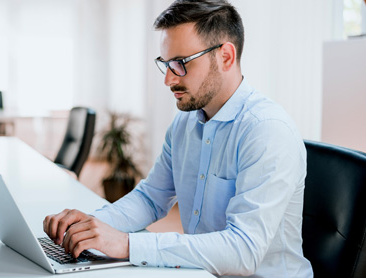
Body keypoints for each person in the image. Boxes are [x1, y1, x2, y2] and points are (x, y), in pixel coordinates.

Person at [43, 0, 313, 277]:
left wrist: (127, 244)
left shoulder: (266, 131)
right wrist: (89, 226)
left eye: (180, 64)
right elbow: (151, 198)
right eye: (166, 64)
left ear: (226, 57)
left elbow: (242, 251)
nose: (169, 80)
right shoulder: (185, 122)